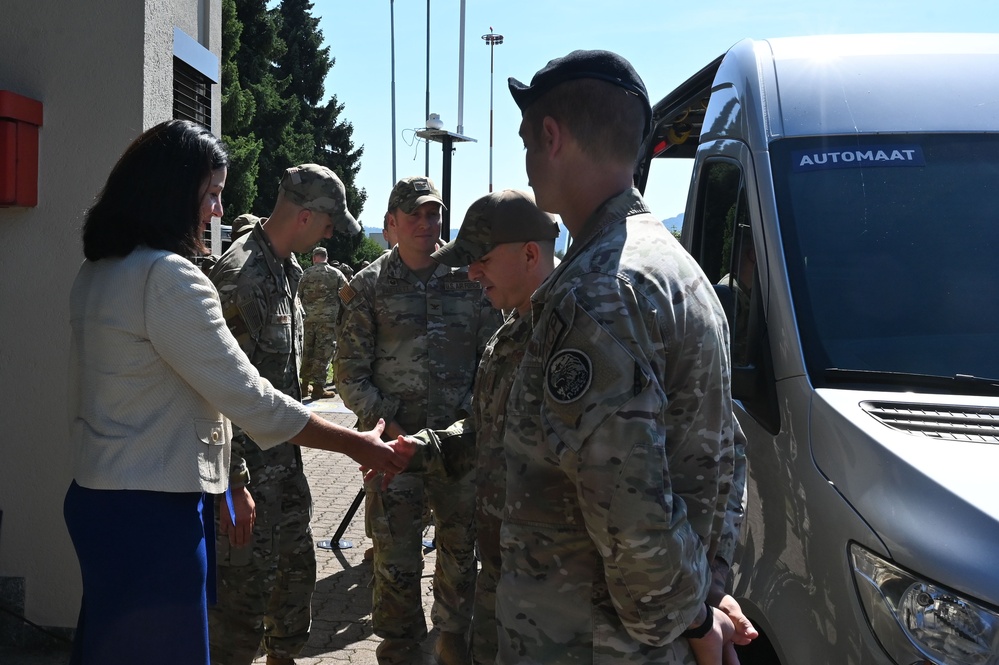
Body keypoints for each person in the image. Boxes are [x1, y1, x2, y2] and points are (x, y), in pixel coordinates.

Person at [64, 120, 413, 665]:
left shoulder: (101, 271)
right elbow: (250, 399)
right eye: (211, 194)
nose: (219, 212)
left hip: (103, 501)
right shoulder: (169, 278)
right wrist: (356, 445)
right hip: (153, 515)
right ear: (172, 192)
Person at [497, 50, 743, 664]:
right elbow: (724, 455)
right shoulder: (678, 271)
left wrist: (694, 621)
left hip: (594, 643)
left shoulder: (598, 291)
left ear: (550, 136)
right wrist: (707, 598)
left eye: (528, 139)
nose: (525, 162)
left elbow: (629, 508)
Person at [335, 176, 503, 665]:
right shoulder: (367, 287)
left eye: (435, 214)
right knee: (394, 559)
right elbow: (349, 374)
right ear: (391, 224)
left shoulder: (471, 279)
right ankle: (399, 647)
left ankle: (453, 640)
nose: (428, 224)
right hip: (395, 450)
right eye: (416, 215)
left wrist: (469, 424)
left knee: (459, 552)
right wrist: (386, 426)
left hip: (459, 448)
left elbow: (492, 361)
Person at [206, 164, 359, 665]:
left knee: (292, 607)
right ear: (305, 216)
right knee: (238, 623)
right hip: (246, 487)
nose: (331, 234)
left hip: (285, 475)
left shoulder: (286, 271)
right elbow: (214, 388)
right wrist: (233, 484)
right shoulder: (241, 279)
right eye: (330, 224)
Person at [428, 189, 560, 665]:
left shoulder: (573, 331)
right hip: (501, 574)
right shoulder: (512, 328)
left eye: (481, 259)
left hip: (553, 598)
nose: (471, 273)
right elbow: (486, 433)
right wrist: (420, 450)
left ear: (529, 254)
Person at [299, 245, 348, 400]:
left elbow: (297, 296)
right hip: (328, 322)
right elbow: (348, 297)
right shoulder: (337, 274)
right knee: (323, 354)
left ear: (314, 258)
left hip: (308, 320)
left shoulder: (306, 274)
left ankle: (304, 386)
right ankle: (318, 388)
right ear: (326, 257)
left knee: (307, 351)